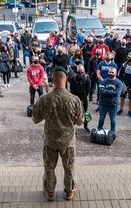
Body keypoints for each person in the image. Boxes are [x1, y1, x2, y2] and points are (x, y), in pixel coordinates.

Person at [32, 66, 83, 201]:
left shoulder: (44, 99)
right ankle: (69, 192)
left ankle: (50, 193)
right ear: (66, 79)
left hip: (50, 141)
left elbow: (35, 119)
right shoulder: (74, 100)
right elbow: (79, 121)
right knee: (69, 168)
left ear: (52, 80)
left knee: (49, 168)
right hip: (68, 142)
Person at [97, 67, 124, 135]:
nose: (111, 73)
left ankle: (113, 133)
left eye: (112, 72)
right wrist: (112, 92)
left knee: (113, 120)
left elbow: (117, 94)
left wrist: (106, 91)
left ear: (116, 73)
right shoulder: (104, 81)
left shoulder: (119, 83)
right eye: (109, 72)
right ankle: (99, 130)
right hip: (103, 104)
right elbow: (101, 91)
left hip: (113, 105)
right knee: (101, 119)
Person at [70, 64, 91, 132]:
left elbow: (88, 89)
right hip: (75, 98)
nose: (80, 72)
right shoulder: (73, 77)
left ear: (84, 70)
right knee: (74, 112)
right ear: (76, 70)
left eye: (81, 70)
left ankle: (86, 126)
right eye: (78, 70)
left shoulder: (87, 78)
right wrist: (75, 98)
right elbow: (71, 89)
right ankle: (72, 125)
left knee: (87, 113)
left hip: (84, 99)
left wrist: (83, 99)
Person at [118, 52, 131, 118]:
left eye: (130, 57)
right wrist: (121, 83)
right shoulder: (124, 64)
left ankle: (129, 111)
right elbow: (120, 74)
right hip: (124, 83)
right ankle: (121, 109)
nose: (129, 58)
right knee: (122, 97)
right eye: (128, 57)